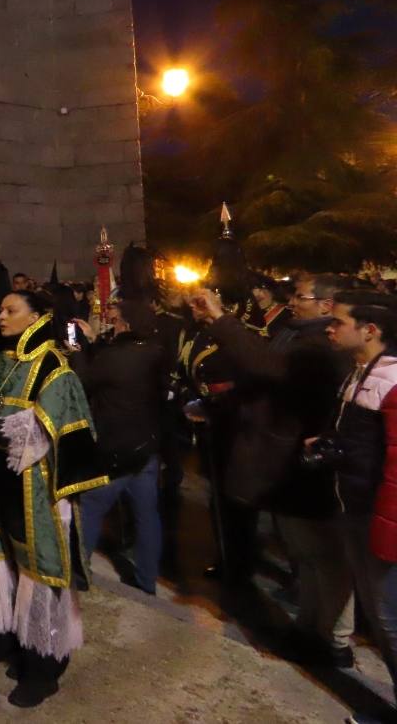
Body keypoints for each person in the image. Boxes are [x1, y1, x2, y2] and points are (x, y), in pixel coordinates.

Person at [0, 290, 107, 708]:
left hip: (39, 488)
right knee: (8, 566)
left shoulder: (53, 366)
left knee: (40, 576)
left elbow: (47, 429)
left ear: (37, 316)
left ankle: (46, 667)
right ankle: (20, 643)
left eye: (9, 310)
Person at [190, 275, 353, 665]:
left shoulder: (322, 345)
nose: (292, 301)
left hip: (309, 465)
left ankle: (335, 640)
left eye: (300, 296)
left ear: (327, 306)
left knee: (326, 559)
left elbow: (267, 366)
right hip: (284, 462)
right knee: (305, 555)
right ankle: (309, 628)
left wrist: (220, 319)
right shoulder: (295, 334)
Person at [320, 291, 397, 713]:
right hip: (357, 511)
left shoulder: (392, 379)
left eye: (339, 322)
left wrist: (386, 534)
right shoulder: (358, 373)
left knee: (390, 622)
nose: (330, 328)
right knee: (381, 618)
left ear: (370, 331)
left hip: (380, 521)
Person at [72, 300, 168, 595]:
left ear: (125, 324)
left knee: (89, 507)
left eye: (116, 321)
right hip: (147, 446)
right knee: (146, 515)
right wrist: (95, 341)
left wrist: (79, 352)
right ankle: (147, 579)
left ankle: (79, 573)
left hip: (115, 449)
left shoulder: (115, 357)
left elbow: (84, 381)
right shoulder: (157, 351)